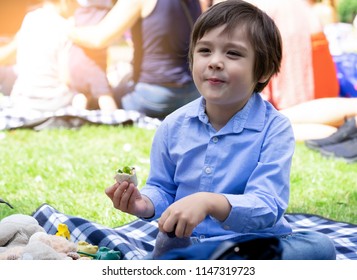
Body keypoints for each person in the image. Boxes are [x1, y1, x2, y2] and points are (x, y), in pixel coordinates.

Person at [105, 0, 336, 259]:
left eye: (233, 53)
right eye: (205, 50)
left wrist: (210, 202)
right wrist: (143, 203)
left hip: (254, 244)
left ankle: (207, 261)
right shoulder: (172, 126)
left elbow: (267, 205)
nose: (215, 62)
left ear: (263, 71)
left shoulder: (275, 128)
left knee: (321, 246)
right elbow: (162, 188)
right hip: (184, 243)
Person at [68, 0, 202, 119]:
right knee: (123, 79)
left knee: (98, 99)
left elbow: (98, 38)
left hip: (154, 96)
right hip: (193, 94)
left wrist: (67, 29)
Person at [0, 0, 80, 112]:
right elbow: (66, 78)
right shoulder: (67, 27)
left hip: (22, 100)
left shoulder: (30, 18)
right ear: (65, 2)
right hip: (54, 102)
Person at [68, 0, 118, 112]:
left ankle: (76, 117)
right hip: (93, 64)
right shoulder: (102, 12)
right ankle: (114, 118)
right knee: (104, 95)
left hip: (74, 62)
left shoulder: (78, 13)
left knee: (80, 94)